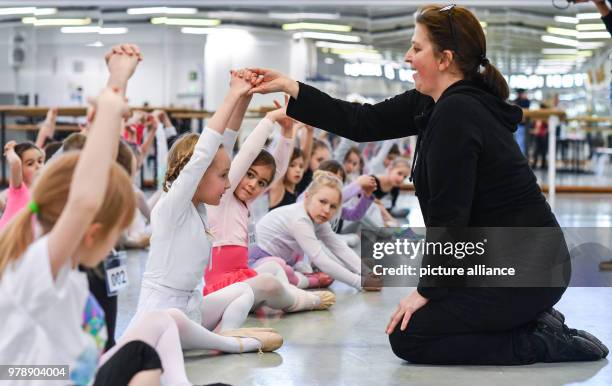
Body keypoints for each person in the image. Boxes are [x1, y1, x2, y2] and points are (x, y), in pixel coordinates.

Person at [240, 3, 608, 365]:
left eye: (417, 48)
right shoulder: (432, 102)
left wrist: (425, 291)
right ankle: (534, 321)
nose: (407, 57)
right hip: (507, 260)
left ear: (445, 58)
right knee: (424, 321)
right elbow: (361, 121)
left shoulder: (458, 113)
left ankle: (536, 341)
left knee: (410, 336)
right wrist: (292, 87)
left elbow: (451, 218)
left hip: (529, 269)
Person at [135, 66, 282, 354]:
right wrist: (231, 94)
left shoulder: (199, 206)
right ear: (198, 175)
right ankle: (231, 344)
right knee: (175, 320)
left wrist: (245, 96)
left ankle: (226, 335)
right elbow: (205, 153)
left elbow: (225, 141)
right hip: (162, 318)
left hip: (192, 308)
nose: (230, 183)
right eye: (222, 176)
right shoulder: (172, 207)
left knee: (244, 290)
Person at [513, 89, 530, 155]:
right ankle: (520, 155)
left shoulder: (526, 101)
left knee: (523, 142)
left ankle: (522, 155)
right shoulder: (517, 101)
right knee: (519, 141)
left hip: (525, 125)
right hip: (519, 124)